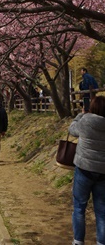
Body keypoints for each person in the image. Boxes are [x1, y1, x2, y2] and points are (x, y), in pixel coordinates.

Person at [68, 95, 105, 245]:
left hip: (84, 169)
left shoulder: (86, 120)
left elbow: (72, 130)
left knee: (79, 207)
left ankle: (78, 241)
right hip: (103, 172)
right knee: (102, 211)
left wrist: (81, 114)